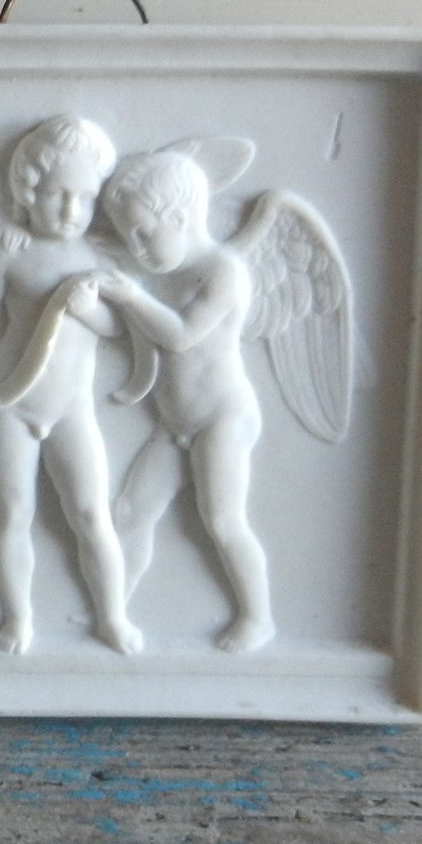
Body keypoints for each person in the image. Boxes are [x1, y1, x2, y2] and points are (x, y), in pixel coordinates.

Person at [94, 147, 276, 653]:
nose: (136, 248)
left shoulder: (223, 271)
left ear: (178, 217)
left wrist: (131, 296)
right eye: (129, 237)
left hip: (223, 417)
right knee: (130, 511)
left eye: (142, 233)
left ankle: (258, 617)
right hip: (175, 423)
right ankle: (113, 608)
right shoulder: (164, 269)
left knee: (223, 520)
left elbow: (179, 336)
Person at [0, 115, 142, 655]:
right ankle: (18, 617)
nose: (72, 210)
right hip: (8, 399)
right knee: (12, 514)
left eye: (84, 198)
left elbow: (119, 329)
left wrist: (89, 310)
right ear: (29, 190)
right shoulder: (12, 250)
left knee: (92, 514)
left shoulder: (95, 257)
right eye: (57, 196)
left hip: (71, 408)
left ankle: (112, 617)